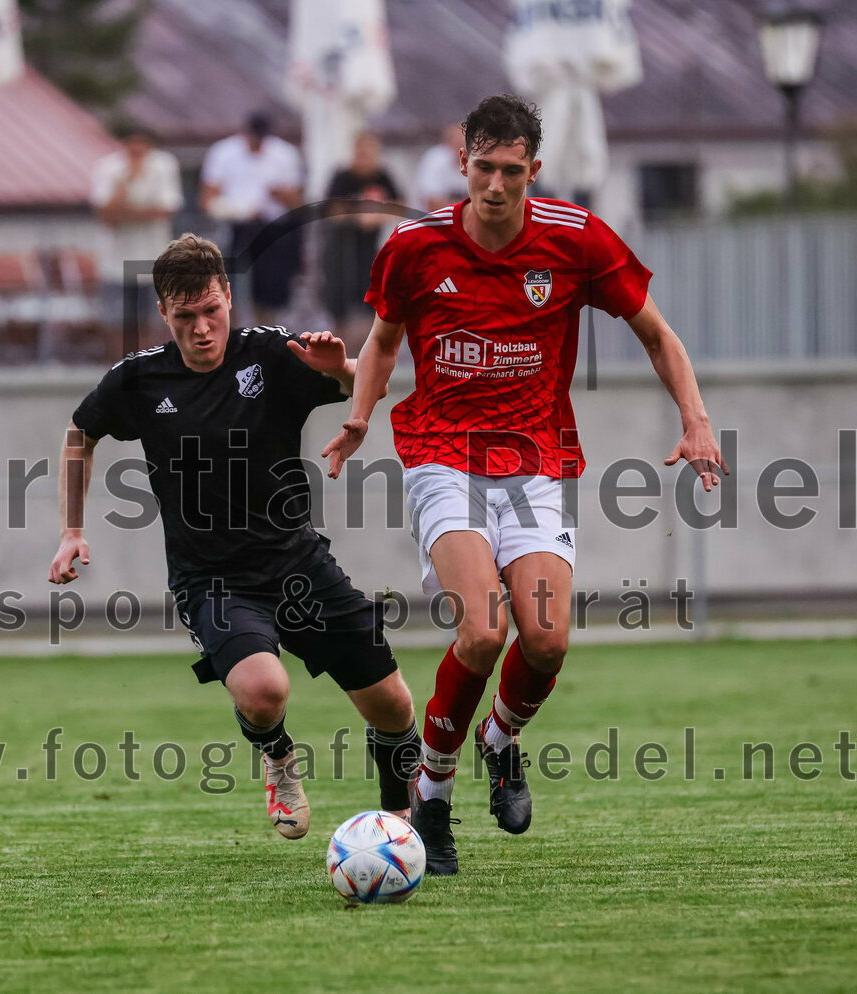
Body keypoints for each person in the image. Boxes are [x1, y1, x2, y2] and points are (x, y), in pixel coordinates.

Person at [322, 94, 729, 874]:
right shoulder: (413, 245)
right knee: (483, 632)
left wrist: (697, 420)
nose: (497, 185)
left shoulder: (576, 240)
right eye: (484, 168)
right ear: (462, 164)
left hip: (536, 461)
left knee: (546, 641)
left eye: (513, 171)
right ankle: (431, 799)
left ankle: (498, 741)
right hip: (442, 455)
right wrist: (363, 414)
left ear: (533, 171)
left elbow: (658, 334)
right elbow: (380, 341)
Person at [48, 233, 420, 840]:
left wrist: (343, 370)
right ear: (164, 313)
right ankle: (278, 757)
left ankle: (401, 824)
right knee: (264, 689)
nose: (201, 327)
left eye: (211, 310)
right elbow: (79, 433)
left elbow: (367, 384)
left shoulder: (271, 355)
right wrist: (71, 530)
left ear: (229, 298)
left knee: (393, 705)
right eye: (185, 315)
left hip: (297, 563)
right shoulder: (139, 380)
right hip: (212, 579)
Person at [200, 113, 304, 327]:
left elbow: (297, 199)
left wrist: (278, 194)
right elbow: (208, 197)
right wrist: (231, 209)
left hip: (271, 228)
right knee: (229, 285)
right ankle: (231, 334)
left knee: (267, 290)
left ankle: (262, 331)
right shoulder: (223, 152)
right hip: (234, 227)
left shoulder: (284, 154)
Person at [91, 127, 183, 336]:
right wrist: (126, 184)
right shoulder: (108, 168)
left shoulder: (163, 165)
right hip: (115, 262)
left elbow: (164, 210)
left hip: (152, 259)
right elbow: (106, 216)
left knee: (152, 320)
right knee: (116, 323)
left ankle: (148, 366)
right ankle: (121, 367)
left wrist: (125, 214)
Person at [321, 131, 402, 354]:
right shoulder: (342, 176)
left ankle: (368, 350)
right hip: (342, 249)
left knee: (371, 300)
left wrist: (378, 215)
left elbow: (399, 204)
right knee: (340, 302)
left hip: (371, 249)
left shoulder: (382, 176)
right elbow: (331, 210)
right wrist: (359, 214)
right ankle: (339, 349)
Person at [413, 122, 468, 214]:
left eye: (466, 144)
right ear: (448, 144)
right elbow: (432, 204)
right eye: (459, 143)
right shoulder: (435, 159)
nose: (463, 148)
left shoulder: (479, 161)